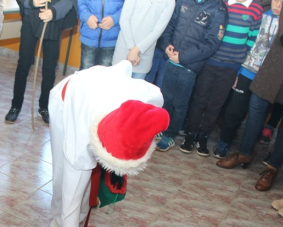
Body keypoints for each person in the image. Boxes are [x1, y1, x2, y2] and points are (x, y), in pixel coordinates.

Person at [49, 61, 169, 227]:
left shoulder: (149, 97)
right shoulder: (82, 135)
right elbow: (71, 193)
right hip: (66, 101)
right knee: (66, 179)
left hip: (101, 90)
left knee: (89, 188)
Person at [179, 0, 263, 157]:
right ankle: (190, 134)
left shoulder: (256, 9)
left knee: (216, 105)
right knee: (199, 100)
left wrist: (239, 71)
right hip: (210, 61)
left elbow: (251, 43)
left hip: (231, 67)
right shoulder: (221, 3)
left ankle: (203, 136)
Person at [217, 1, 283, 192]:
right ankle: (245, 153)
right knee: (254, 107)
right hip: (263, 71)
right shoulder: (262, 11)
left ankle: (273, 167)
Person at [155, 0, 228, 152]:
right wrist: (167, 45)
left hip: (189, 66)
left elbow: (211, 43)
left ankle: (170, 135)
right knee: (166, 98)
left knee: (179, 104)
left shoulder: (218, 9)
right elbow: (170, 25)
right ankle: (161, 127)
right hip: (171, 60)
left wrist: (183, 57)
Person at [4, 0, 77, 125]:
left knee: (49, 69)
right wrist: (31, 2)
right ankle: (15, 106)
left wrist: (54, 12)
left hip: (54, 20)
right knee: (23, 65)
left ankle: (44, 107)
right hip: (30, 18)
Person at [112, 0, 174, 79]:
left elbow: (158, 31)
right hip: (123, 52)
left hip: (144, 58)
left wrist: (137, 50)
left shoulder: (170, 2)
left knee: (136, 90)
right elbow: (124, 20)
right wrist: (132, 48)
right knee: (116, 88)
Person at [78, 0, 124, 70]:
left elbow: (126, 7)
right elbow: (80, 4)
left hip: (111, 38)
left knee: (105, 76)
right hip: (89, 36)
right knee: (85, 73)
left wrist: (114, 19)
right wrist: (87, 16)